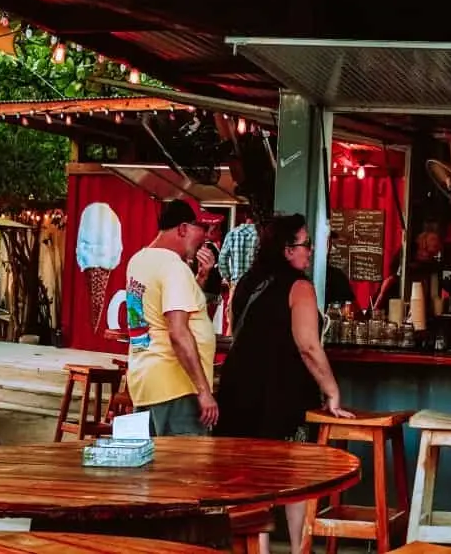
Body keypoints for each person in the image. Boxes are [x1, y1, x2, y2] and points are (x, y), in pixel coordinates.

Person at [215, 214, 354, 553]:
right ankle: (299, 549)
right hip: (281, 394)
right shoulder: (300, 287)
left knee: (250, 482)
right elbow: (308, 345)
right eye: (306, 244)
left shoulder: (247, 282)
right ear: (288, 249)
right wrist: (332, 392)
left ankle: (257, 549)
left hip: (237, 390)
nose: (310, 250)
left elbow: (239, 330)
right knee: (296, 480)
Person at [123, 200, 222, 436]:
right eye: (203, 229)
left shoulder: (139, 260)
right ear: (183, 229)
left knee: (155, 467)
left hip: (146, 381)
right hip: (176, 387)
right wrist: (203, 391)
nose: (206, 238)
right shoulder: (173, 267)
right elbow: (178, 331)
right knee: (185, 469)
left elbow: (163, 310)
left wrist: (200, 278)